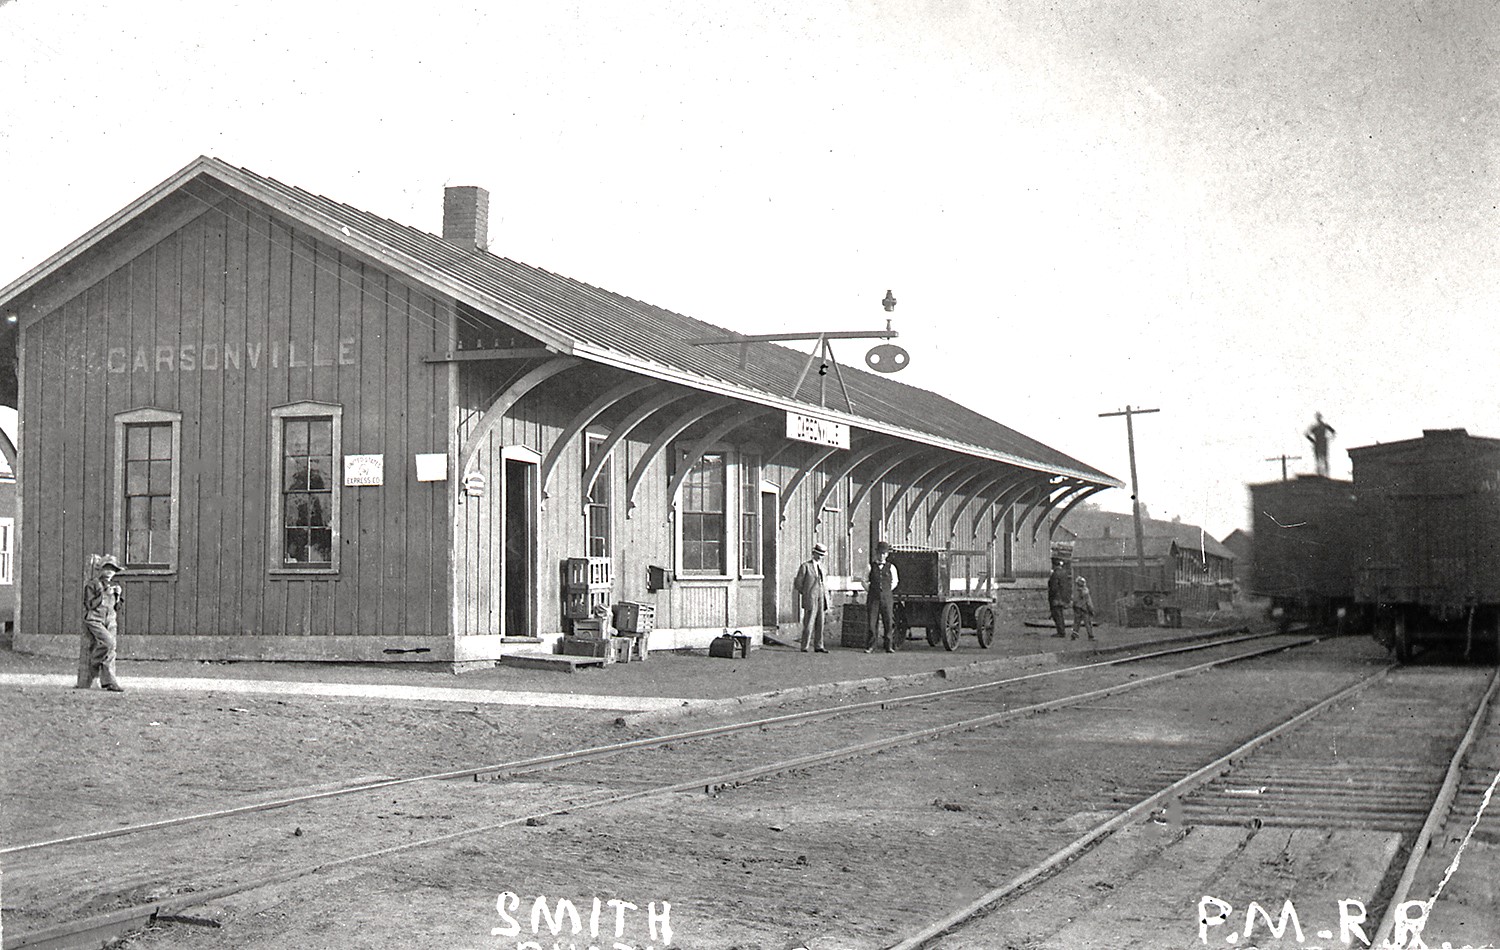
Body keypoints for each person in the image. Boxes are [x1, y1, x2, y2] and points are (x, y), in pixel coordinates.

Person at [78, 554, 125, 692]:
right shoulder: (93, 584)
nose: (110, 572)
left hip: (110, 620)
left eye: (113, 569)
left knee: (111, 651)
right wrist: (104, 593)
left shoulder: (115, 586)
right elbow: (90, 604)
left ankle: (110, 682)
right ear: (101, 569)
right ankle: (93, 664)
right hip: (95, 619)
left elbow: (117, 608)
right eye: (107, 568)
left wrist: (117, 595)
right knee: (108, 643)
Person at [794, 542, 831, 653]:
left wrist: (826, 596)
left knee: (820, 622)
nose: (820, 557)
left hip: (821, 596)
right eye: (818, 554)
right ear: (813, 553)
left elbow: (825, 582)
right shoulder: (805, 566)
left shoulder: (823, 567)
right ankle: (804, 646)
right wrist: (806, 593)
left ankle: (819, 645)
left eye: (822, 555)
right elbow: (798, 583)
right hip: (811, 596)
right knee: (809, 622)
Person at [865, 541, 901, 653]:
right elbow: (864, 581)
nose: (881, 556)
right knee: (872, 622)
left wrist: (887, 590)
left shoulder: (891, 567)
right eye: (880, 553)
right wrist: (871, 589)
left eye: (884, 553)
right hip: (873, 598)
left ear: (887, 555)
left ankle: (888, 646)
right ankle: (871, 646)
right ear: (876, 553)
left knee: (888, 621)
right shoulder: (870, 566)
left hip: (887, 598)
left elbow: (895, 581)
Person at [1306, 412, 1337, 477]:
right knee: (1319, 459)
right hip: (1319, 443)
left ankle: (1326, 473)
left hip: (1321, 443)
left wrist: (1329, 438)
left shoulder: (1323, 426)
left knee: (1323, 458)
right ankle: (1320, 473)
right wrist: (1313, 441)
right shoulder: (1315, 427)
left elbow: (1333, 432)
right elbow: (1306, 434)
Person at [1047, 559, 1070, 638]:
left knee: (1057, 615)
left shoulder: (1055, 574)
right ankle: (1061, 631)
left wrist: (1051, 597)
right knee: (1060, 614)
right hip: (1062, 597)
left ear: (1054, 565)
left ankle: (1061, 632)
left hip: (1056, 598)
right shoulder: (1064, 573)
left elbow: (1053, 587)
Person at [1072, 575, 1096, 641]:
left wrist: (1074, 606)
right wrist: (1091, 609)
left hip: (1077, 608)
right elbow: (1089, 602)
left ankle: (1074, 635)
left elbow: (1074, 600)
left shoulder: (1075, 591)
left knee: (1076, 622)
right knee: (1088, 623)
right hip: (1085, 609)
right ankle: (1090, 636)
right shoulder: (1086, 592)